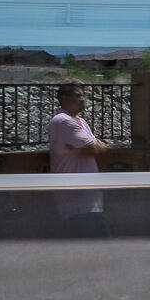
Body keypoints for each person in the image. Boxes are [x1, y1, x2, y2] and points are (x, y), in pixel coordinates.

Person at [46, 82, 107, 221]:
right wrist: (94, 145)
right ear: (65, 98)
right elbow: (93, 147)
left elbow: (98, 148)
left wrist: (93, 146)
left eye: (83, 96)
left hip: (87, 196)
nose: (82, 99)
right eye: (78, 96)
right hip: (75, 198)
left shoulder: (80, 121)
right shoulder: (63, 121)